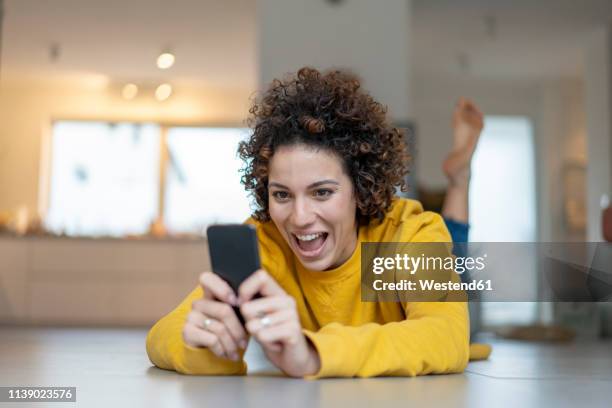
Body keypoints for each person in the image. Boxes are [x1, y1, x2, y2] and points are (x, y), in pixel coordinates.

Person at [146, 67, 485, 379]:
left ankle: (459, 180)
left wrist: (312, 354)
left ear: (360, 188)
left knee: (455, 249)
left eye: (322, 192)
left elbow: (447, 335)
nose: (299, 217)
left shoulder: (410, 231)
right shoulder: (265, 240)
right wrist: (201, 345)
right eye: (281, 195)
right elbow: (162, 335)